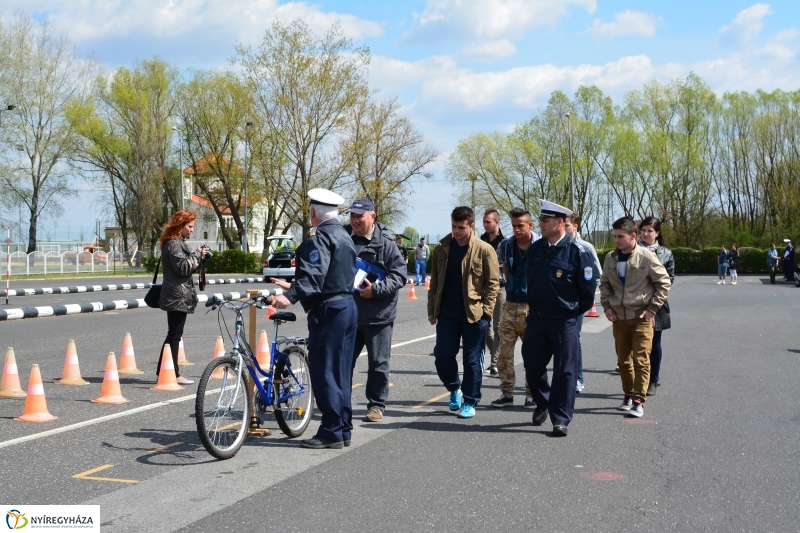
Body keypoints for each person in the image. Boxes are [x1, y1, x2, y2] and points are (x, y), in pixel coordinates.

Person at [270, 189, 357, 450]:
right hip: (347, 306)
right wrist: (295, 285)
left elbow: (315, 275)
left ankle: (331, 430)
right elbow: (331, 274)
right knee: (341, 372)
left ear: (313, 213)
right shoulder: (344, 235)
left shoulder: (319, 238)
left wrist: (290, 295)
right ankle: (343, 428)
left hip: (328, 311)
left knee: (325, 371)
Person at [523, 200, 597, 437]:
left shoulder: (578, 252)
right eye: (541, 220)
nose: (541, 224)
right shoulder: (535, 249)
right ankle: (543, 400)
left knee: (565, 371)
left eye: (546, 220)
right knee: (532, 364)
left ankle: (560, 418)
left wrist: (572, 313)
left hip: (564, 319)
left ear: (560, 222)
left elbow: (586, 293)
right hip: (537, 318)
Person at [428, 206, 499, 419]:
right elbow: (435, 282)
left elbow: (493, 283)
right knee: (442, 354)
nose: (456, 231)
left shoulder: (485, 249)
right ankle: (454, 388)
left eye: (461, 227)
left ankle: (470, 400)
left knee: (472, 360)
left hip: (474, 314)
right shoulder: (442, 248)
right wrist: (432, 309)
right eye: (453, 226)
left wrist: (487, 312)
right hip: (448, 314)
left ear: (471, 226)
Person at [599, 216, 671, 419]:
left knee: (641, 360)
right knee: (623, 362)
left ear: (633, 236)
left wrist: (652, 309)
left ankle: (639, 401)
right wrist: (606, 306)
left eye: (620, 236)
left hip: (641, 318)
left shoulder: (646, 257)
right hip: (619, 319)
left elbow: (664, 282)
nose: (617, 240)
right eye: (614, 236)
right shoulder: (610, 258)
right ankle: (628, 395)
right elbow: (604, 283)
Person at [344, 198, 407, 423]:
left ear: (373, 216)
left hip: (378, 315)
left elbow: (399, 275)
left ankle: (376, 405)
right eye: (352, 215)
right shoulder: (343, 238)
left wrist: (377, 290)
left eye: (360, 216)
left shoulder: (387, 244)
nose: (355, 220)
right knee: (343, 362)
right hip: (349, 314)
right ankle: (342, 403)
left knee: (378, 364)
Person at [490, 207, 538, 409]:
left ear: (530, 225)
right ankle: (506, 393)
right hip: (511, 304)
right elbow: (506, 271)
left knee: (533, 354)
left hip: (531, 306)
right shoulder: (507, 245)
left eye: (521, 226)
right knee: (504, 353)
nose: (517, 230)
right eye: (514, 226)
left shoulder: (540, 245)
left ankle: (532, 394)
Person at [157, 210, 209, 385]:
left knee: (173, 334)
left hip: (178, 294)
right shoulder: (173, 244)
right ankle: (173, 374)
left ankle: (164, 370)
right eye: (190, 226)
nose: (192, 230)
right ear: (180, 226)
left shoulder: (176, 243)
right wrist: (197, 254)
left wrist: (201, 258)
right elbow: (183, 268)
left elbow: (187, 267)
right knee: (174, 335)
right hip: (176, 295)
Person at [564, 212, 601, 393]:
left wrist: (583, 301)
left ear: (575, 226)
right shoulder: (554, 246)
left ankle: (578, 378)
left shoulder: (585, 247)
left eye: (567, 225)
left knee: (574, 340)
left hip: (575, 304)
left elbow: (597, 274)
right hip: (557, 304)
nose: (564, 228)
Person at [639, 217, 674, 396]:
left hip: (656, 306)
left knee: (654, 343)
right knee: (635, 345)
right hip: (635, 303)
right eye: (643, 230)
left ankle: (653, 379)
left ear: (657, 233)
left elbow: (669, 280)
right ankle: (639, 380)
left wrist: (653, 305)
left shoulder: (666, 254)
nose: (645, 234)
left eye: (649, 231)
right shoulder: (632, 249)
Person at [480, 208, 506, 377]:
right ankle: (495, 355)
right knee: (484, 327)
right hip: (482, 287)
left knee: (498, 327)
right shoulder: (480, 241)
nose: (485, 224)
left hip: (500, 287)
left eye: (488, 221)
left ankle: (495, 362)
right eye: (484, 221)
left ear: (497, 222)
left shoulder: (505, 242)